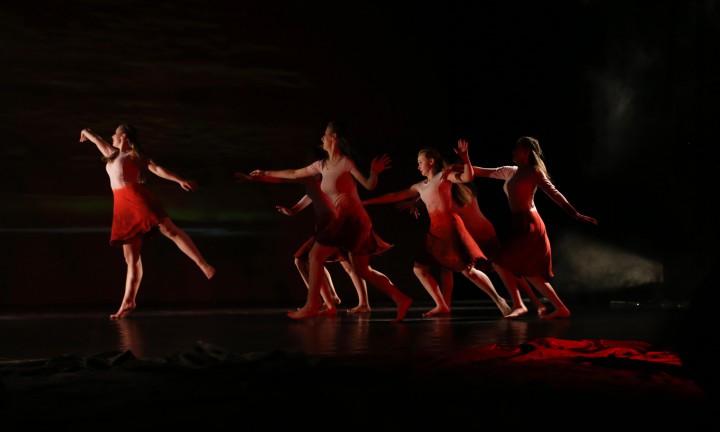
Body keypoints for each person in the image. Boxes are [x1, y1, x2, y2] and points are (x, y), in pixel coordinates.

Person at [249, 121, 412, 322]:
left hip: (353, 219)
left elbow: (369, 185)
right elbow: (293, 173)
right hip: (344, 219)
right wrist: (265, 173)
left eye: (325, 134)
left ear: (333, 138)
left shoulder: (345, 162)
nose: (322, 138)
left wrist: (374, 173)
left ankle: (313, 305)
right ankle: (401, 298)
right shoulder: (322, 166)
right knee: (362, 270)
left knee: (316, 255)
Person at [79, 124, 216, 319]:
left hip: (136, 197)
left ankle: (203, 264)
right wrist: (85, 132)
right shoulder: (112, 153)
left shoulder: (135, 155)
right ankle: (129, 301)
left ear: (123, 136)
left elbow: (157, 169)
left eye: (115, 133)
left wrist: (179, 180)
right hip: (122, 206)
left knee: (169, 230)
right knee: (131, 258)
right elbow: (97, 140)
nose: (112, 136)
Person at [362, 143, 512, 317]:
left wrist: (465, 158)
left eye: (420, 162)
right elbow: (395, 195)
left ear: (431, 161)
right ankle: (441, 305)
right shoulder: (420, 186)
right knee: (419, 269)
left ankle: (499, 300)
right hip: (436, 231)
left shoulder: (444, 176)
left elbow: (467, 177)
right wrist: (367, 202)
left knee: (467, 270)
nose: (418, 166)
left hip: (451, 228)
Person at [470, 136, 598, 319]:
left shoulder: (534, 172)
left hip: (531, 225)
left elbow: (554, 193)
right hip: (519, 224)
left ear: (526, 152)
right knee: (530, 273)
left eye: (517, 148)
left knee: (500, 261)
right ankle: (560, 308)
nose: (513, 151)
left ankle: (519, 305)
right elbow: (478, 171)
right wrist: (458, 164)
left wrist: (575, 213)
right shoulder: (510, 171)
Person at [238, 171, 371, 313]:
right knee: (307, 260)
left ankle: (355, 303)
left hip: (338, 228)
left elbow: (290, 178)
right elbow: (298, 200)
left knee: (346, 265)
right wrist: (290, 210)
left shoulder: (333, 185)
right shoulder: (315, 188)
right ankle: (328, 298)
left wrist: (257, 178)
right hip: (325, 230)